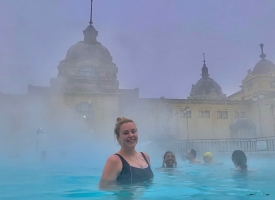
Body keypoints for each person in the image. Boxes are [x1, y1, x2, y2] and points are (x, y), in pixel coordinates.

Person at [99, 117, 154, 189]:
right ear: (118, 138)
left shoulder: (145, 156)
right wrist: (127, 192)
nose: (131, 135)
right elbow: (103, 187)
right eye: (125, 133)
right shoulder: (115, 160)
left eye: (133, 131)